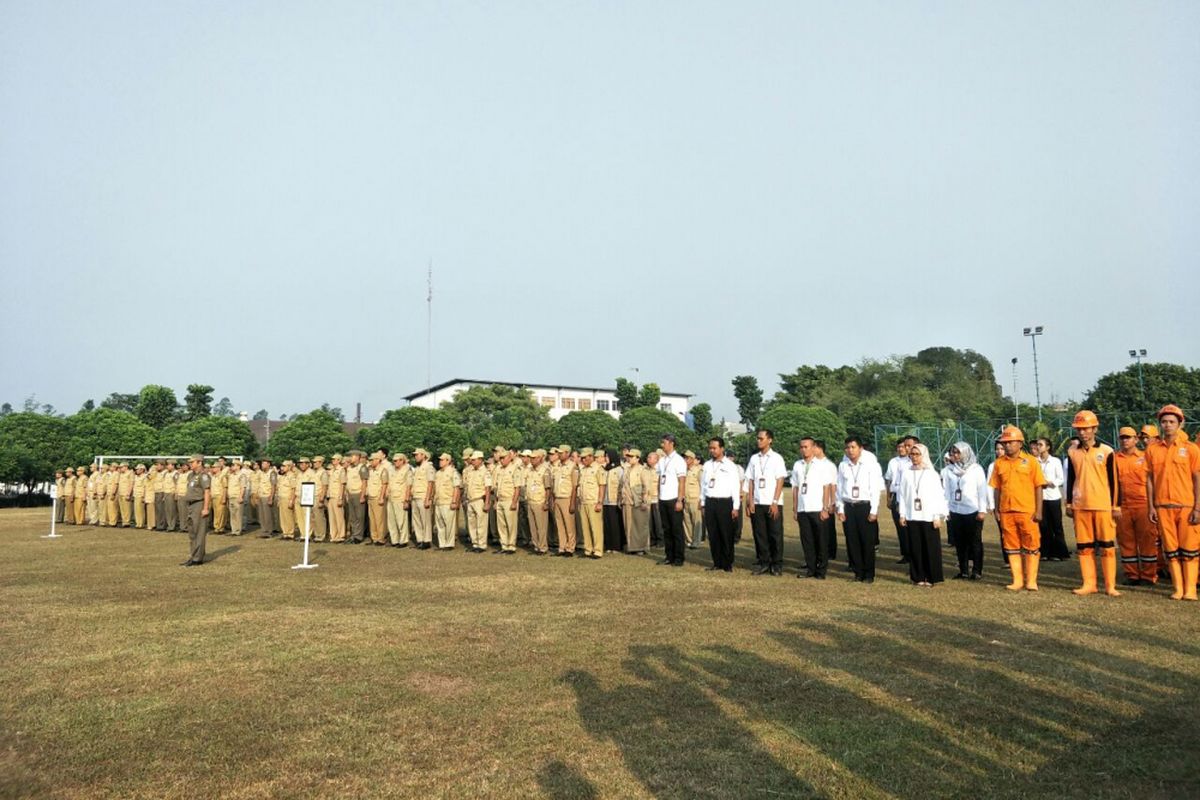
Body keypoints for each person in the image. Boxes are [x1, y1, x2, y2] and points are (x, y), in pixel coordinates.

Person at [1144, 405, 1200, 601]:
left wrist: (1197, 508)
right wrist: (1151, 506)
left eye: (1171, 422)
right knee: (1171, 550)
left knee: (1190, 550)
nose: (1167, 425)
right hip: (1162, 507)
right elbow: (1150, 480)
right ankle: (1178, 588)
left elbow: (1197, 479)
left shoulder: (1191, 449)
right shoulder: (1152, 450)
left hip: (1186, 507)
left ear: (1180, 423)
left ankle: (1190, 589)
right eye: (1164, 422)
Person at [1065, 410, 1121, 597]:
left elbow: (1114, 481)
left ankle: (1110, 585)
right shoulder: (1072, 451)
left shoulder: (1107, 451)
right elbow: (1071, 478)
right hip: (1081, 505)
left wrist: (1116, 506)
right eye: (1079, 429)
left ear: (1095, 428)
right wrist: (1069, 503)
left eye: (1086, 429)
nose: (1082, 433)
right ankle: (1089, 583)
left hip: (1103, 505)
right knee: (1084, 546)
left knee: (1107, 546)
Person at [989, 425, 1045, 592]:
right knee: (1011, 546)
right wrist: (997, 509)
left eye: (1010, 442)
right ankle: (1017, 580)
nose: (1007, 445)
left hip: (1027, 511)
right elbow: (997, 488)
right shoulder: (998, 464)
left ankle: (1031, 580)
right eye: (1004, 442)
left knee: (1031, 545)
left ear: (1020, 443)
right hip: (1007, 511)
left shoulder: (1031, 462)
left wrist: (1039, 510)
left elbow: (1038, 487)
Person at [898, 443, 949, 586]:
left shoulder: (932, 474)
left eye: (917, 454)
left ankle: (931, 576)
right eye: (912, 454)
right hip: (912, 515)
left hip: (928, 515)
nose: (914, 457)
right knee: (915, 547)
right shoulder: (907, 473)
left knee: (930, 547)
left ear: (923, 455)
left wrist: (937, 516)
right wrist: (902, 514)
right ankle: (918, 577)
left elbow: (938, 496)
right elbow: (902, 495)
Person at [836, 436, 885, 583]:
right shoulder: (843, 466)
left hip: (865, 506)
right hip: (849, 506)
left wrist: (873, 510)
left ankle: (869, 574)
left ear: (860, 448)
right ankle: (858, 573)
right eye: (847, 448)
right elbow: (839, 488)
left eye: (853, 447)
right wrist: (840, 508)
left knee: (867, 541)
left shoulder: (870, 465)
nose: (850, 450)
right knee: (852, 541)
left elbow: (875, 489)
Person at [1113, 427, 1157, 585]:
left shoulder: (1145, 457)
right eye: (1122, 437)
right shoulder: (1114, 459)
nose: (1125, 440)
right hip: (1123, 506)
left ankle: (1148, 575)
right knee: (1126, 541)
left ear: (1136, 439)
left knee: (1147, 541)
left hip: (1143, 504)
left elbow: (1153, 482)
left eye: (1128, 437)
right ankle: (1131, 575)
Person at [941, 442, 989, 579]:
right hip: (956, 510)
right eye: (952, 452)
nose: (954, 455)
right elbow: (947, 491)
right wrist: (947, 510)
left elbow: (982, 490)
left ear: (965, 453)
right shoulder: (949, 470)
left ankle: (977, 570)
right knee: (959, 542)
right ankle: (963, 570)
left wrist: (982, 510)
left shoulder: (976, 469)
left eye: (957, 452)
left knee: (974, 541)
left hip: (972, 510)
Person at [792, 437, 837, 579]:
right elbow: (795, 487)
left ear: (813, 447)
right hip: (803, 508)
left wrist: (825, 507)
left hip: (817, 507)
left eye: (806, 447)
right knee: (807, 540)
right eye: (801, 447)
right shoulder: (797, 465)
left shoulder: (822, 465)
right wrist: (795, 508)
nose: (803, 449)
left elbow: (826, 487)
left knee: (821, 540)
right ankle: (810, 568)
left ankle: (821, 570)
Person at [744, 429, 787, 576]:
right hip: (757, 502)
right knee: (760, 534)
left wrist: (775, 502)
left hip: (772, 502)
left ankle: (777, 564)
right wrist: (750, 501)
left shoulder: (777, 458)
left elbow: (780, 480)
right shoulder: (754, 459)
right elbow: (750, 480)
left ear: (770, 440)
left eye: (761, 438)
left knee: (775, 534)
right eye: (757, 438)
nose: (758, 441)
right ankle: (764, 562)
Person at [700, 436, 741, 572]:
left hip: (725, 502)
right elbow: (703, 485)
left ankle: (727, 563)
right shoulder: (706, 465)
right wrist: (703, 502)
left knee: (726, 533)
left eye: (715, 448)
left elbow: (735, 486)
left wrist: (736, 507)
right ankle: (717, 562)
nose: (712, 450)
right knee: (713, 534)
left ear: (722, 449)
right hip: (710, 501)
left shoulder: (730, 466)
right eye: (710, 448)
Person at [1030, 437, 1069, 561]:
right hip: (1040, 498)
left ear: (1048, 447)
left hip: (1053, 497)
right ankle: (1045, 552)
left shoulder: (1055, 461)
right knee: (1043, 526)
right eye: (1037, 445)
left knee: (1056, 525)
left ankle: (1060, 553)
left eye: (1041, 444)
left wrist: (1050, 483)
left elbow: (1061, 478)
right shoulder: (1034, 461)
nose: (1038, 447)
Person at [656, 435, 688, 567]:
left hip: (674, 498)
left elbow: (682, 481)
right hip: (663, 499)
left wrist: (680, 499)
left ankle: (679, 557)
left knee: (676, 529)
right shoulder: (662, 460)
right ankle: (669, 556)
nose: (662, 445)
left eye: (664, 442)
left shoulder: (679, 460)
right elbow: (659, 479)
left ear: (671, 443)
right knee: (666, 530)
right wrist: (658, 496)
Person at [885, 437, 915, 564]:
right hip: (896, 495)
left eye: (904, 446)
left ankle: (914, 553)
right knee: (900, 526)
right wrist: (888, 497)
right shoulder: (893, 461)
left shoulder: (913, 461)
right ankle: (906, 554)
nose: (901, 449)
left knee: (911, 525)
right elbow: (889, 479)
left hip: (909, 496)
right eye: (899, 447)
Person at [181, 455, 211, 566]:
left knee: (199, 532)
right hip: (190, 505)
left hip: (199, 504)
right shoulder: (191, 475)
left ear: (199, 462)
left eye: (192, 462)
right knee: (192, 532)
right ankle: (193, 555)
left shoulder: (204, 476)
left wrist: (205, 508)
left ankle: (198, 558)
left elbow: (207, 492)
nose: (190, 464)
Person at [577, 447, 606, 559]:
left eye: (585, 457)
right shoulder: (583, 469)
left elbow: (602, 486)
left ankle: (598, 550)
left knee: (596, 527)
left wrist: (600, 502)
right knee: (585, 527)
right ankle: (588, 549)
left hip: (593, 501)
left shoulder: (598, 469)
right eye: (582, 458)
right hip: (583, 501)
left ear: (591, 457)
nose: (583, 460)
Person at [550, 445, 579, 557]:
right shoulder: (557, 466)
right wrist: (553, 499)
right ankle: (561, 547)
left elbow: (574, 486)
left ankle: (570, 548)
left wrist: (572, 503)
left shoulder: (573, 467)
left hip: (567, 498)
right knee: (560, 524)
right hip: (557, 497)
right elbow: (554, 484)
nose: (559, 455)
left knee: (569, 525)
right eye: (558, 453)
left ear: (567, 453)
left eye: (561, 453)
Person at [462, 451, 492, 552]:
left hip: (479, 499)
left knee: (481, 524)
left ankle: (481, 544)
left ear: (480, 460)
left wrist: (487, 502)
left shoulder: (485, 472)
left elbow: (487, 488)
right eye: (472, 460)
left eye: (474, 460)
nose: (472, 462)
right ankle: (475, 544)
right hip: (470, 500)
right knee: (472, 523)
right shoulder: (471, 471)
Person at [524, 449, 552, 555]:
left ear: (540, 458)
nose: (532, 460)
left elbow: (548, 488)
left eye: (534, 458)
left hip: (540, 501)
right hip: (531, 501)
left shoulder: (545, 471)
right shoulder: (530, 470)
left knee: (541, 526)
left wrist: (546, 502)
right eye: (531, 458)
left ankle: (543, 547)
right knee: (533, 526)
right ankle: (536, 546)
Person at [432, 452, 462, 550]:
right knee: (440, 524)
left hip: (448, 501)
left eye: (442, 460)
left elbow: (456, 488)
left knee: (449, 523)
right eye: (440, 460)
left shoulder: (453, 472)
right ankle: (442, 543)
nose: (440, 462)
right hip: (439, 501)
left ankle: (449, 543)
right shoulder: (438, 473)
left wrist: (454, 501)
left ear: (448, 461)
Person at [494, 449, 520, 554]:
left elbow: (517, 488)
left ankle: (511, 545)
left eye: (503, 458)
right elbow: (496, 487)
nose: (501, 460)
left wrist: (514, 502)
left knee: (511, 524)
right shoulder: (499, 469)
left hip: (509, 499)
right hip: (500, 499)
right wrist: (496, 501)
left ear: (509, 458)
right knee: (501, 524)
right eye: (500, 458)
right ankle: (504, 545)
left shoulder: (514, 469)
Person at [409, 448, 436, 549]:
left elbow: (430, 483)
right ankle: (420, 539)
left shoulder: (428, 467)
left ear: (424, 455)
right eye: (415, 455)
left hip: (423, 496)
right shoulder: (417, 468)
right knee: (416, 520)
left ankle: (427, 540)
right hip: (415, 496)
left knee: (425, 520)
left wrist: (428, 498)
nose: (415, 456)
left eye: (417, 455)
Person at [602, 449, 625, 554]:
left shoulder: (619, 469)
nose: (606, 458)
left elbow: (621, 485)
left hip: (614, 500)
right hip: (605, 501)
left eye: (607, 456)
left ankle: (616, 545)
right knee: (607, 524)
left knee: (615, 524)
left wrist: (620, 499)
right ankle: (609, 545)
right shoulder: (605, 469)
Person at [386, 453, 412, 547]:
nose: (395, 462)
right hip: (391, 498)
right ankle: (394, 540)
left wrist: (406, 500)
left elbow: (409, 486)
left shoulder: (407, 470)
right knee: (391, 521)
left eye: (397, 460)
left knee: (401, 521)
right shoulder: (391, 470)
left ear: (402, 461)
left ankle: (403, 540)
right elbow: (389, 483)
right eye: (394, 460)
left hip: (400, 498)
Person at [345, 450, 368, 543]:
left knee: (359, 516)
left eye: (352, 456)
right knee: (352, 516)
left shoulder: (362, 467)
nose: (350, 458)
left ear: (358, 457)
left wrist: (362, 495)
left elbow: (364, 482)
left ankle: (358, 536)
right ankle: (354, 535)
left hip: (358, 493)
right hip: (350, 493)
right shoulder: (350, 468)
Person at [682, 451, 704, 549]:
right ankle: (689, 540)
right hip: (685, 499)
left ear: (691, 459)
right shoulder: (683, 470)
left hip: (695, 499)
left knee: (696, 522)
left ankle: (696, 542)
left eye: (686, 458)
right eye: (684, 458)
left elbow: (703, 486)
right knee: (686, 522)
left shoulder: (699, 471)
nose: (684, 460)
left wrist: (702, 500)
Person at [227, 459, 249, 535]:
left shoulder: (241, 475)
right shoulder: (231, 475)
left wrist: (241, 497)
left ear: (238, 466)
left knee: (238, 515)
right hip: (231, 496)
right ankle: (233, 530)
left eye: (234, 465)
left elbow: (243, 487)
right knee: (232, 515)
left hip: (237, 496)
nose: (232, 467)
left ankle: (238, 531)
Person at [256, 458, 277, 537]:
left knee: (268, 515)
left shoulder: (272, 473)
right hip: (261, 495)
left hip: (267, 495)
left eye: (264, 464)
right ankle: (264, 530)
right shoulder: (262, 473)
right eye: (262, 464)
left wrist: (271, 497)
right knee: (262, 515)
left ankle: (269, 531)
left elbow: (273, 486)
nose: (262, 465)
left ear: (269, 464)